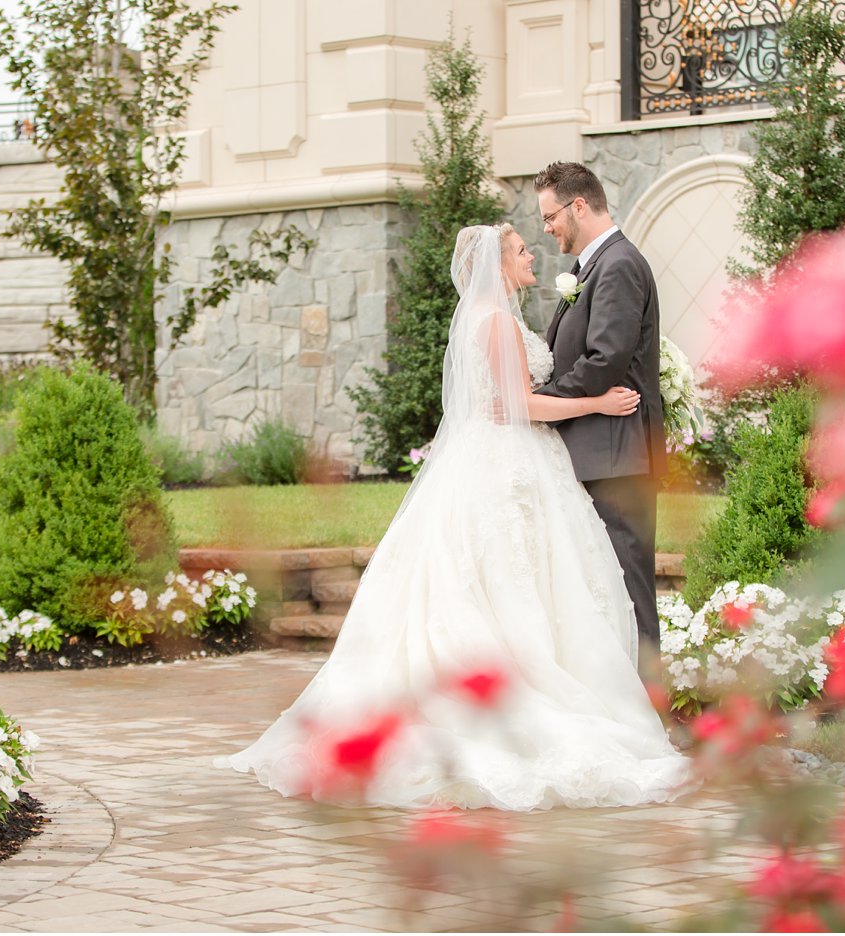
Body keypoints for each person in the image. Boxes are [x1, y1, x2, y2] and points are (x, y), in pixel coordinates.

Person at [223, 223, 692, 810]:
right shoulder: (494, 322)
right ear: (498, 265)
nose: (531, 255)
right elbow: (518, 404)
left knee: (517, 580)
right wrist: (596, 401)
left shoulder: (493, 320)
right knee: (513, 581)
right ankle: (516, 696)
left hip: (503, 459)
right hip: (508, 461)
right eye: (521, 250)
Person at [533, 162, 664, 673]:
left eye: (549, 217)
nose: (546, 229)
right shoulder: (595, 266)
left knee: (629, 583)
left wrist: (544, 400)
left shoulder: (618, 264)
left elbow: (605, 357)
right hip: (599, 450)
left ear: (578, 206)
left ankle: (651, 709)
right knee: (604, 588)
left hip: (617, 452)